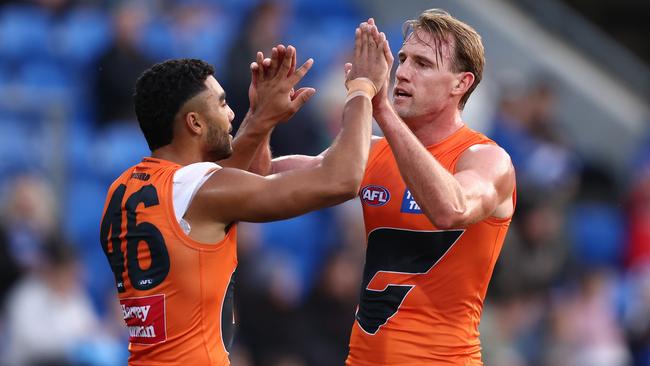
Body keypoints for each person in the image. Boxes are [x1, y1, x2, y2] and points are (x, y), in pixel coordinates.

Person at [99, 23, 389, 365]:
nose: (231, 113)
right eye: (222, 104)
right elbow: (341, 181)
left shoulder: (123, 187)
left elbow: (221, 180)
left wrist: (261, 117)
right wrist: (361, 89)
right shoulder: (200, 190)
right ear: (194, 123)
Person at [257, 10, 516, 364]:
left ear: (461, 83)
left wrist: (381, 109)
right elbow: (257, 183)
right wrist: (262, 121)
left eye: (423, 64)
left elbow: (450, 208)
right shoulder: (374, 152)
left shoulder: (488, 159)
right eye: (404, 59)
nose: (404, 73)